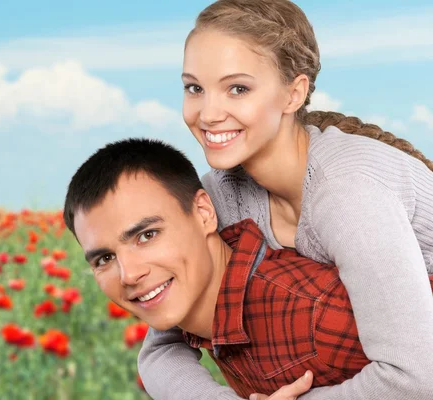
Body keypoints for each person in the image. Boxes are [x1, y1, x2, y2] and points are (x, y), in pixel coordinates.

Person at [138, 1, 433, 399]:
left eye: (237, 88)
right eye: (195, 88)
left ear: (294, 92)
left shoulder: (347, 196)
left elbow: (414, 378)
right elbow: (160, 349)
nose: (207, 113)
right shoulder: (217, 198)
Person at [64, 138, 429, 398]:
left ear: (205, 214)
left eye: (147, 235)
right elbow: (158, 353)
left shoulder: (314, 315)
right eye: (104, 259)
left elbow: (418, 376)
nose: (128, 274)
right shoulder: (208, 294)